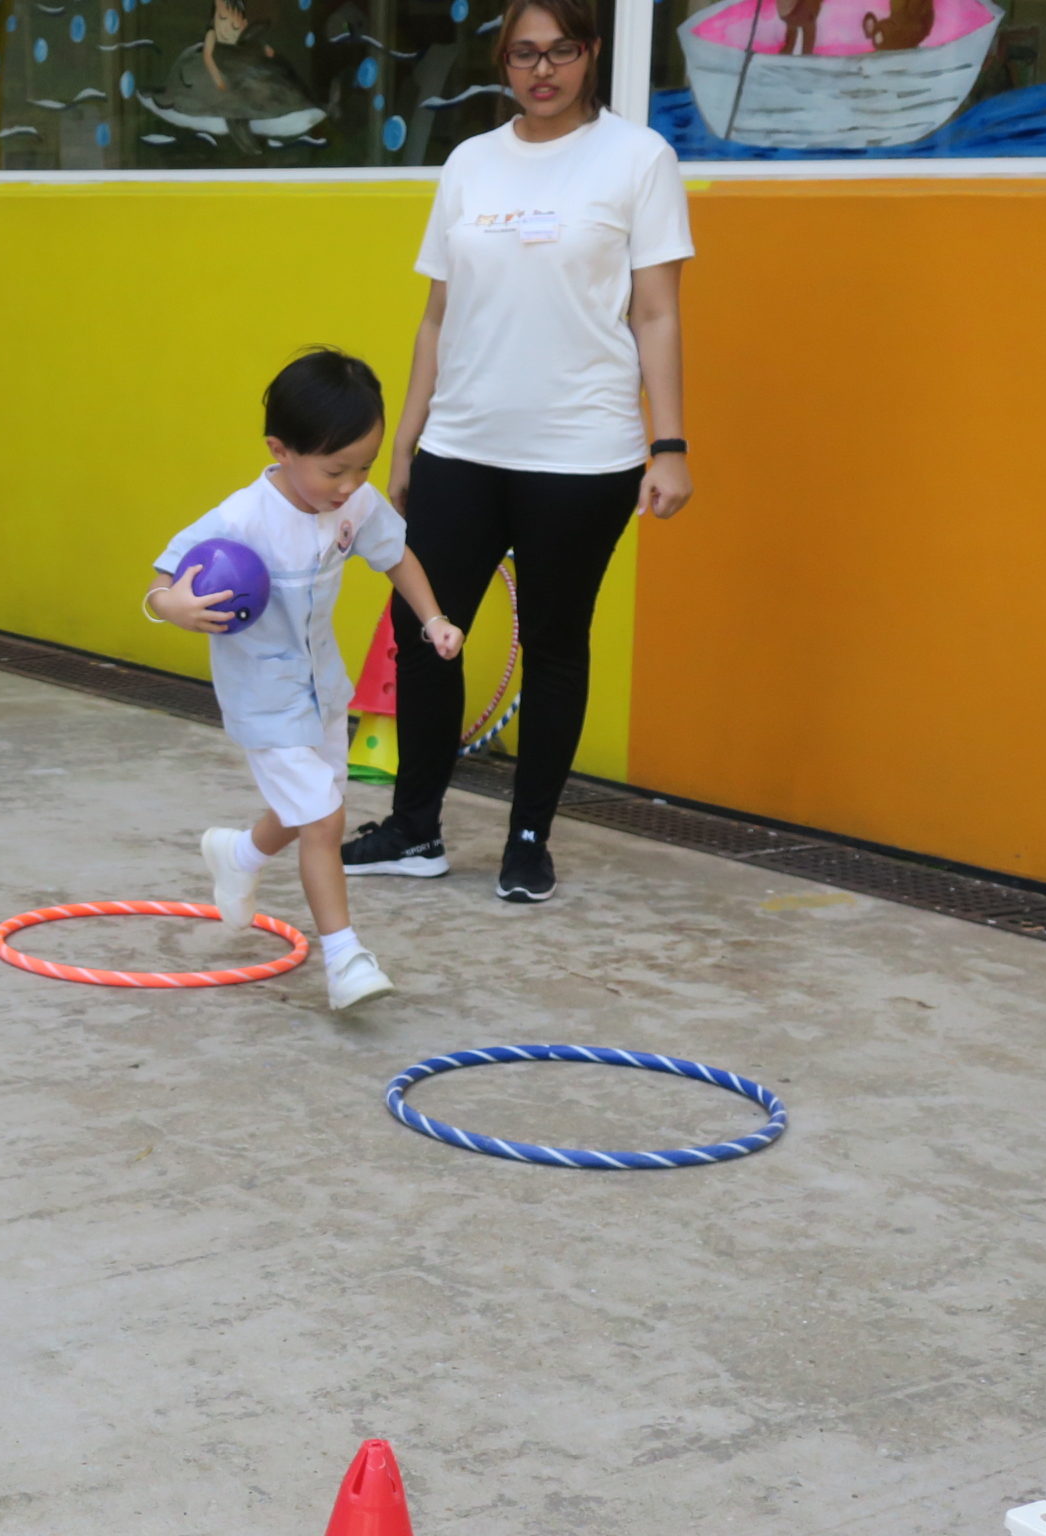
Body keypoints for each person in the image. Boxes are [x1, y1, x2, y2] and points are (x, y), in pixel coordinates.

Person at [339, 0, 693, 904]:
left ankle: (528, 839)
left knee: (556, 644)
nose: (543, 71)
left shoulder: (638, 160)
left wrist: (669, 444)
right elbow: (436, 317)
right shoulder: (469, 162)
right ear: (502, 62)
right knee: (428, 636)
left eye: (561, 51)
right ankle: (415, 829)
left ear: (591, 54)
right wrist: (407, 441)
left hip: (583, 454)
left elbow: (655, 312)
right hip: (464, 442)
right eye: (524, 54)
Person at [147, 349, 462, 1012]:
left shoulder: (354, 503)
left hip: (322, 685)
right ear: (280, 451)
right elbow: (162, 581)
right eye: (335, 469)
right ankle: (344, 958)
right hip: (263, 695)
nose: (350, 484)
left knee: (304, 808)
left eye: (364, 466)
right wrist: (171, 605)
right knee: (323, 817)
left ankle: (237, 855)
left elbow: (396, 555)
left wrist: (432, 618)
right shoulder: (241, 518)